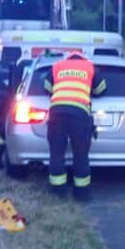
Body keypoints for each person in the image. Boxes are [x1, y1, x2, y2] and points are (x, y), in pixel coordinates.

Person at [44, 52, 106, 201]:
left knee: (57, 153)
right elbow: (101, 89)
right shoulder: (90, 67)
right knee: (81, 154)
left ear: (68, 58)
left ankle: (58, 194)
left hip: (57, 112)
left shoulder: (57, 66)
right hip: (79, 114)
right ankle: (81, 194)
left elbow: (47, 87)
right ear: (83, 58)